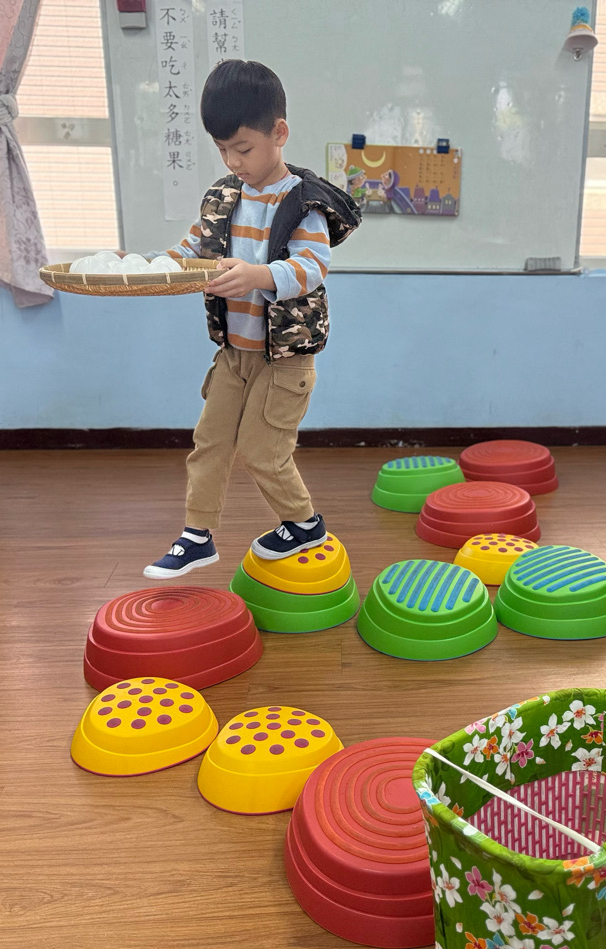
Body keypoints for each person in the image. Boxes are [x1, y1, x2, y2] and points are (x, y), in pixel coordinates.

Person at [142, 60, 361, 580]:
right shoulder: (223, 197)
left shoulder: (304, 203)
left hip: (283, 360)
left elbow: (311, 267)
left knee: (264, 451)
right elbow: (191, 249)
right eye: (222, 150)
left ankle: (304, 524)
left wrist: (257, 276)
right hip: (232, 354)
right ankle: (197, 535)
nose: (232, 161)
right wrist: (151, 268)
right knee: (210, 443)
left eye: (242, 148)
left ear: (279, 133)